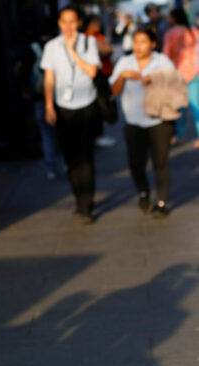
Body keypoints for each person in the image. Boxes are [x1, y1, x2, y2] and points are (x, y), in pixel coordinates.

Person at [41, 5, 101, 224]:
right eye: (64, 21)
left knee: (85, 154)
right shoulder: (51, 47)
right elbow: (49, 78)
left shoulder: (88, 42)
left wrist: (73, 51)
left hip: (86, 104)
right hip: (62, 106)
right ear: (59, 23)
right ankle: (79, 198)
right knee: (70, 156)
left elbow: (92, 71)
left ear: (79, 23)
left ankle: (87, 202)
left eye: (72, 21)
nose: (68, 26)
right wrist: (49, 106)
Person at [110, 28, 175, 217]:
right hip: (133, 121)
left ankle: (162, 202)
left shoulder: (162, 62)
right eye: (135, 41)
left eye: (143, 41)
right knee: (136, 163)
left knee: (160, 162)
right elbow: (114, 91)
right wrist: (123, 76)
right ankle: (143, 192)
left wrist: (151, 79)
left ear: (153, 44)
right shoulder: (124, 62)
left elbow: (174, 85)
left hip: (160, 120)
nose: (138, 46)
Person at [30, 21, 66, 180]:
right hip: (59, 96)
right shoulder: (56, 48)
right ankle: (67, 164)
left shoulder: (32, 48)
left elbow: (19, 70)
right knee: (62, 133)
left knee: (47, 134)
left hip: (39, 97)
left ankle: (51, 167)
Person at [163, 8, 199, 147]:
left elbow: (166, 55)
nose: (167, 19)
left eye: (169, 16)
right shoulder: (193, 31)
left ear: (175, 18)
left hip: (177, 73)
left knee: (179, 108)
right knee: (196, 106)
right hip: (194, 72)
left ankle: (181, 136)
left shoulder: (170, 33)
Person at [83, 15, 118, 148]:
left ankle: (99, 134)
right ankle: (98, 135)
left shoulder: (99, 37)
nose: (98, 24)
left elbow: (108, 50)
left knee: (103, 103)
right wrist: (107, 49)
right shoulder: (89, 38)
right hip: (97, 76)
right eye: (95, 22)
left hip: (104, 74)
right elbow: (106, 51)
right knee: (99, 105)